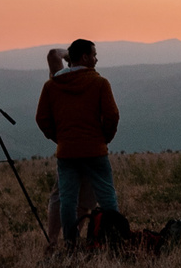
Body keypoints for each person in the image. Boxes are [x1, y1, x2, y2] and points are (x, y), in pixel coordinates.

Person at [36, 39, 121, 248]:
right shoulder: (100, 83)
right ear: (85, 57)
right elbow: (112, 115)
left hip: (67, 152)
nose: (96, 58)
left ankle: (70, 244)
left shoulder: (52, 85)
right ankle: (115, 240)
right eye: (94, 54)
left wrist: (60, 138)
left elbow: (42, 118)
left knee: (67, 200)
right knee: (107, 197)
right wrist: (104, 138)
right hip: (95, 150)